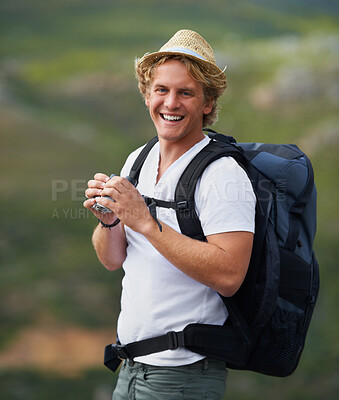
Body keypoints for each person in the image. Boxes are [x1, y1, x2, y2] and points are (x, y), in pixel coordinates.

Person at [83, 29, 255, 400]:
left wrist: (145, 220)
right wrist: (110, 219)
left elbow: (229, 275)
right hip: (129, 369)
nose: (170, 103)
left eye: (186, 93)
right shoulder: (138, 159)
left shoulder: (223, 174)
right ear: (147, 95)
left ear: (208, 103)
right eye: (161, 90)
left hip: (183, 378)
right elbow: (112, 260)